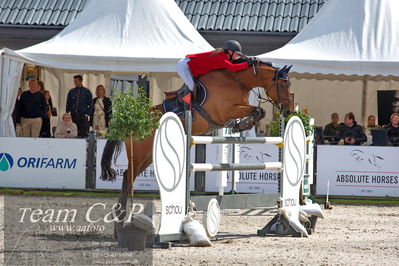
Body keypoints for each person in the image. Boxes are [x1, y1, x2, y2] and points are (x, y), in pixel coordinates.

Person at [176, 40, 253, 99]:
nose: (236, 56)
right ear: (230, 51)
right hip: (184, 65)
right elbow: (232, 67)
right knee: (192, 86)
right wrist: (247, 64)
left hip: (190, 66)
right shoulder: (220, 57)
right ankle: (186, 107)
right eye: (236, 54)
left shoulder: (224, 56)